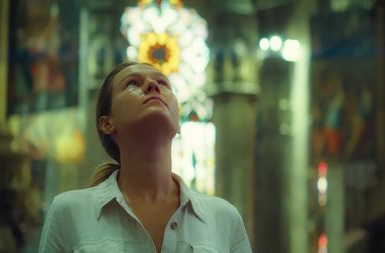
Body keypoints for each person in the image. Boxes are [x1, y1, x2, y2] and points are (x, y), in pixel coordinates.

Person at [38, 62, 252, 252]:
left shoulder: (224, 218)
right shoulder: (69, 212)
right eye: (132, 83)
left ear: (177, 122)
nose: (153, 86)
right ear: (106, 123)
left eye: (164, 83)